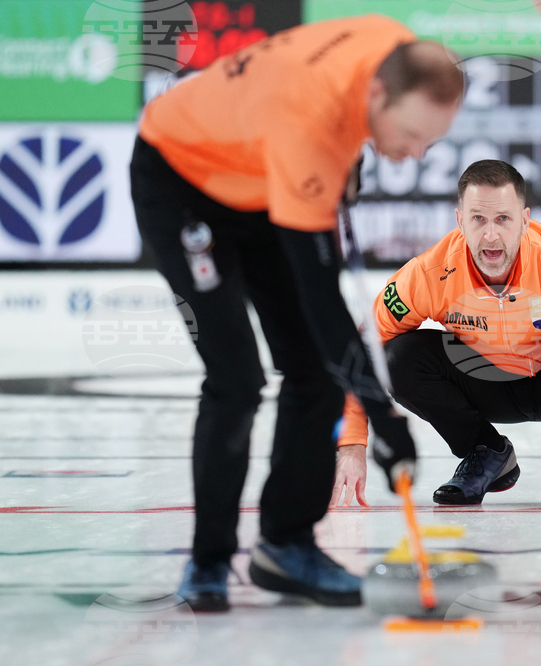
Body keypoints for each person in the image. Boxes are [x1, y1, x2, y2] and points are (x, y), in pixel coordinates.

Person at [130, 15, 464, 611]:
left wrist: (349, 152)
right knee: (236, 377)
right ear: (377, 95)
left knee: (313, 367)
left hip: (265, 173)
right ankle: (208, 561)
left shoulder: (394, 47)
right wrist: (385, 421)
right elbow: (323, 302)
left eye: (429, 143)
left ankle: (286, 543)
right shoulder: (309, 123)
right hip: (182, 176)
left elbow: (320, 333)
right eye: (411, 134)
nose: (413, 155)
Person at [335, 159, 541, 505]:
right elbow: (364, 350)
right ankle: (485, 452)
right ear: (460, 221)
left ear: (524, 220)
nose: (490, 235)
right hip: (482, 386)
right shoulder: (428, 274)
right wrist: (351, 445)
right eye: (478, 219)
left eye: (503, 219)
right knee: (396, 357)